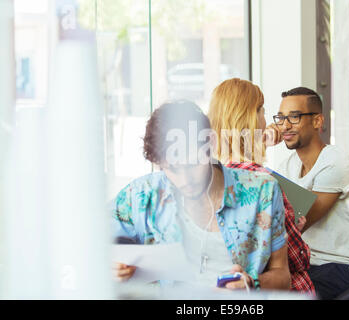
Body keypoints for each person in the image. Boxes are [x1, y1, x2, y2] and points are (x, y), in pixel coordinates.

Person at [111, 100, 291, 291]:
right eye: (172, 169)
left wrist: (252, 284)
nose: (184, 180)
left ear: (211, 143)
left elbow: (283, 276)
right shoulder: (141, 195)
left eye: (192, 164)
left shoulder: (263, 192)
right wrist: (109, 267)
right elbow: (87, 243)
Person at [208, 78, 315, 294]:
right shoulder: (263, 181)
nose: (267, 121)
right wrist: (292, 229)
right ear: (251, 118)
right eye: (262, 112)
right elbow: (299, 259)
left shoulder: (209, 177)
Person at [266, 87, 349, 299]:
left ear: (317, 121)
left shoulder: (335, 162)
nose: (285, 126)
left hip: (345, 271)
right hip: (310, 265)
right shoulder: (288, 165)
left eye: (294, 117)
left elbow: (298, 223)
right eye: (281, 118)